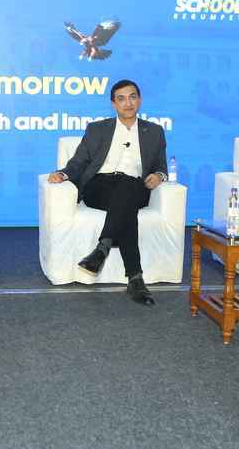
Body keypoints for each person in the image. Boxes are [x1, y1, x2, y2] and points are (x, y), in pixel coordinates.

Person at [47, 79, 167, 305]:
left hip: (136, 187)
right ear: (113, 104)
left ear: (139, 100)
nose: (128, 103)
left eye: (132, 97)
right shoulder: (97, 129)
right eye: (121, 99)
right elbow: (79, 162)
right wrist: (63, 174)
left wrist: (159, 176)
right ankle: (135, 278)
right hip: (99, 187)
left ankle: (102, 249)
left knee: (127, 187)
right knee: (126, 202)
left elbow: (161, 165)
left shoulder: (154, 131)